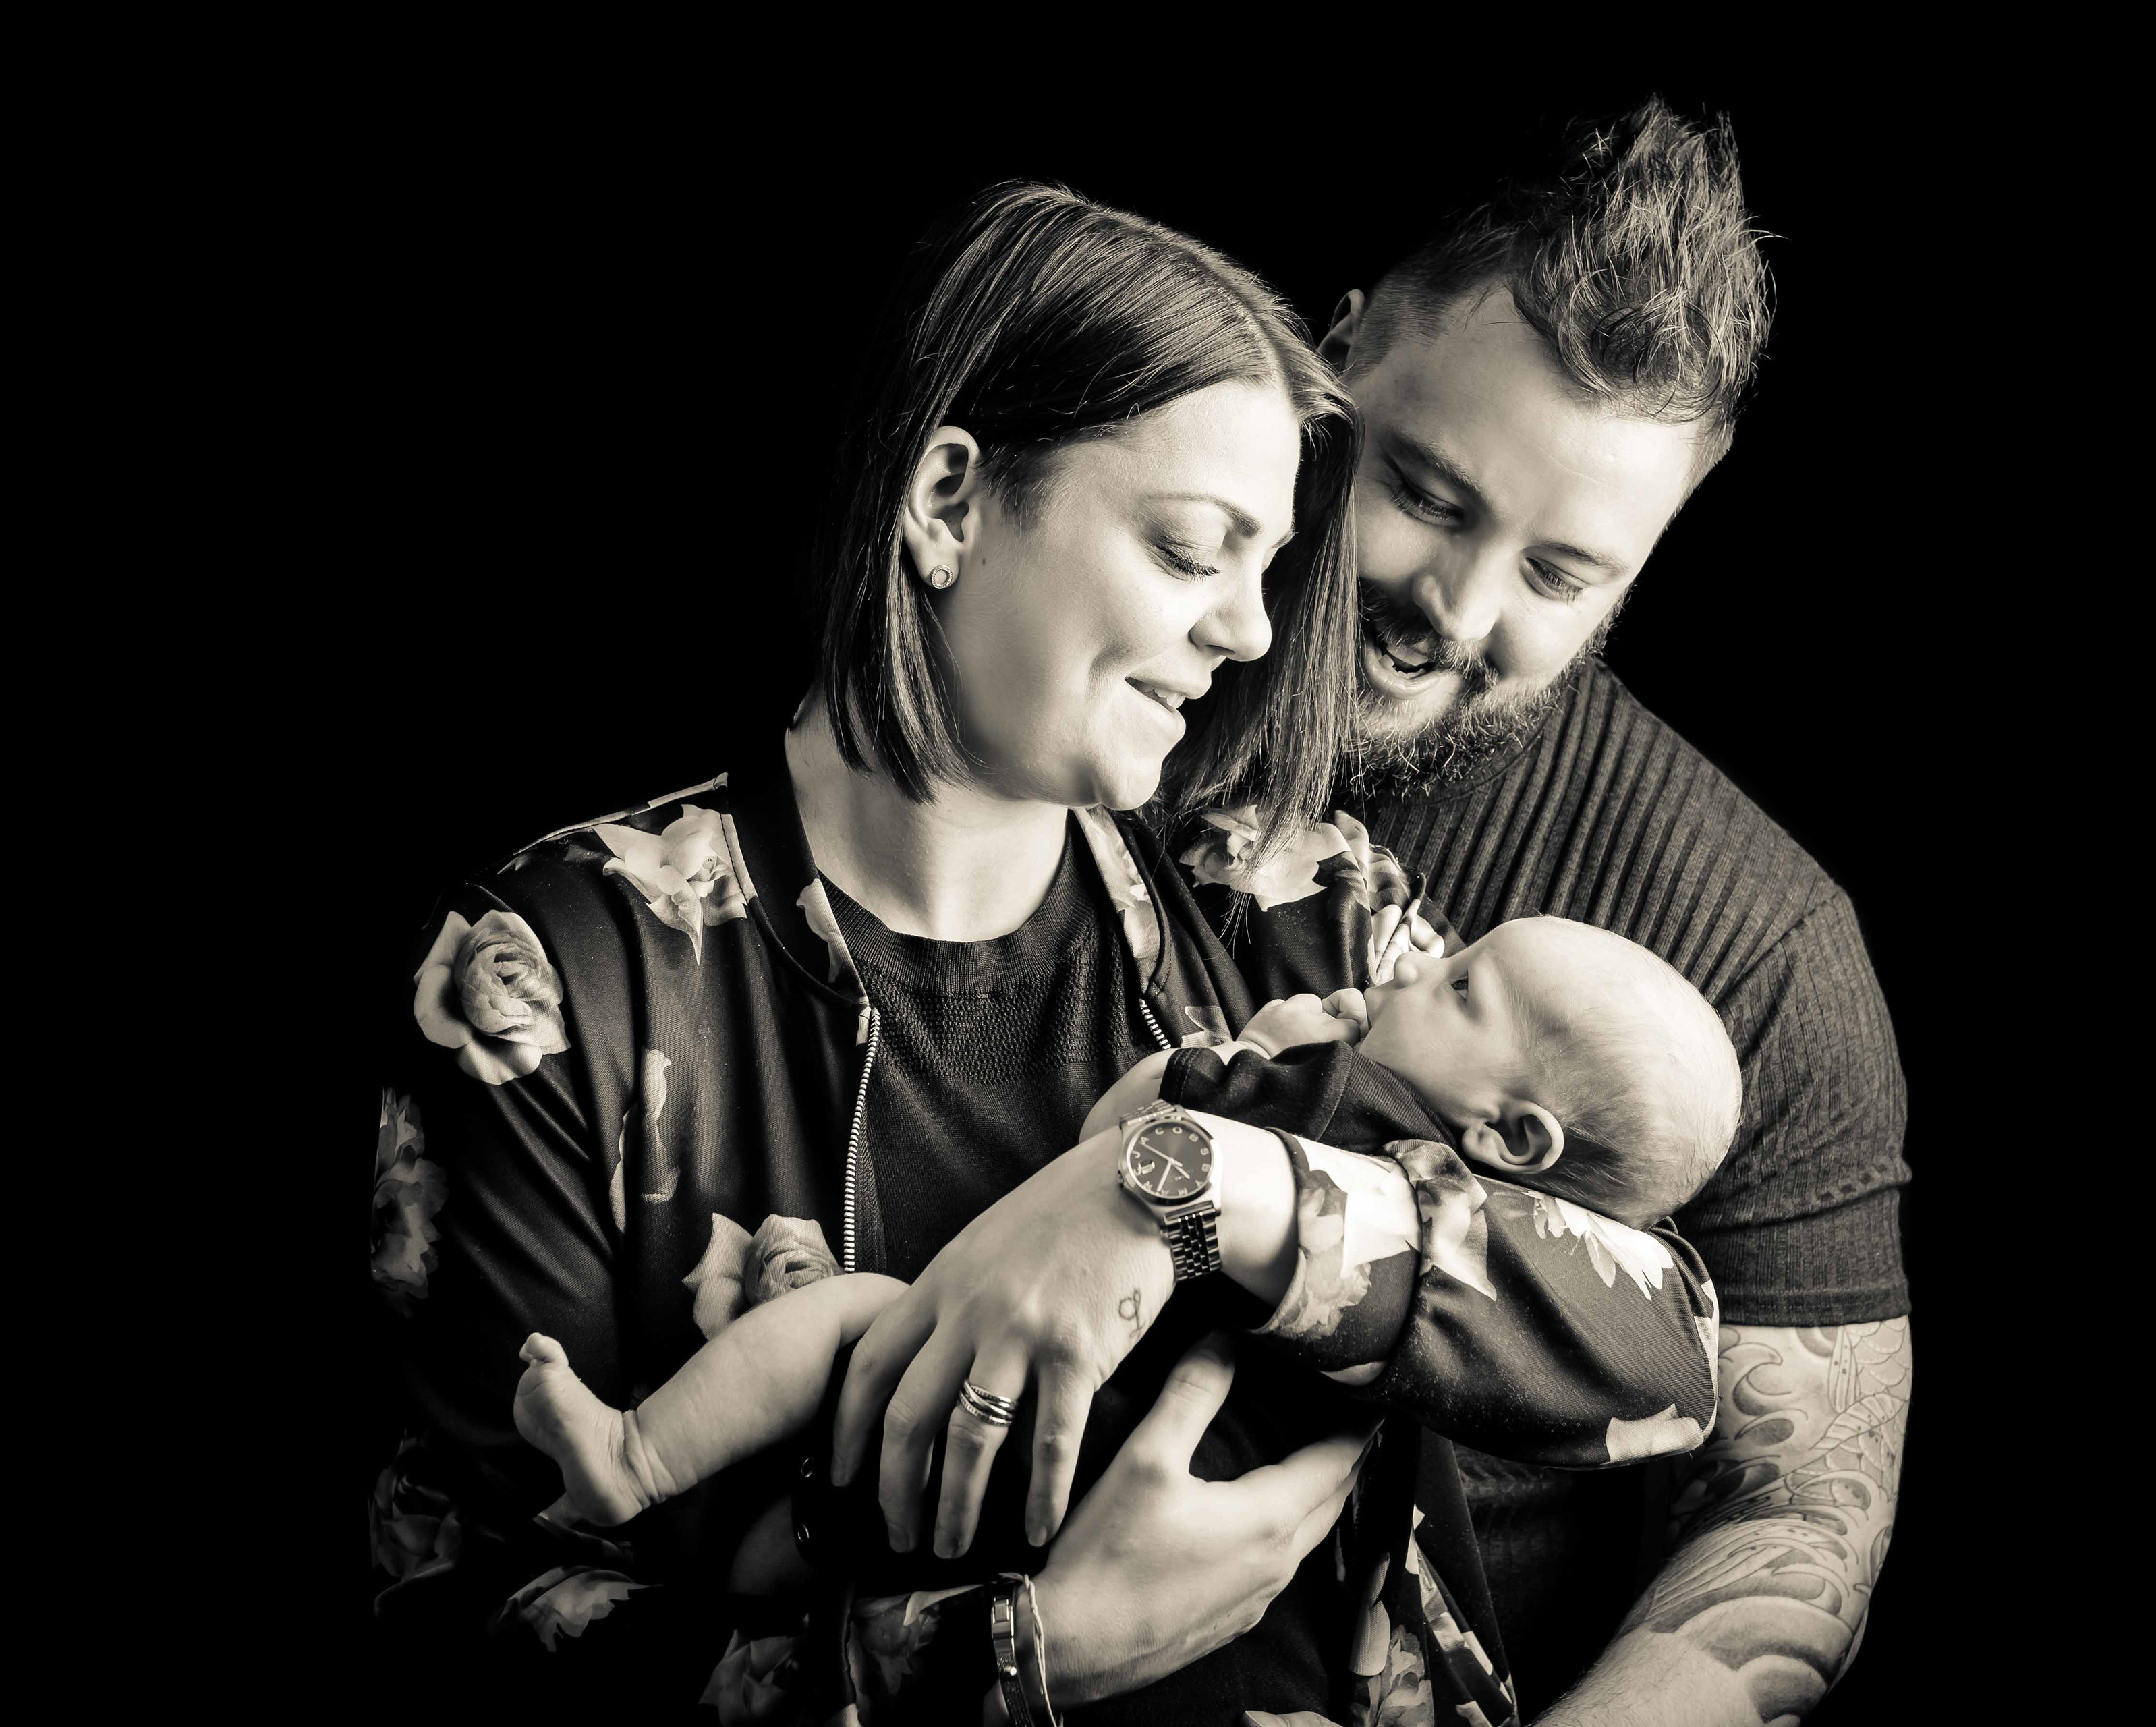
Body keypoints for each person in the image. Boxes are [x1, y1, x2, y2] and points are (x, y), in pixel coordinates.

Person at [369, 180, 1724, 1725]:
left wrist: (1188, 1190)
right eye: (1192, 551)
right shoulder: (562, 974)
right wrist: (1024, 1654)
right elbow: (462, 1617)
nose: (1253, 634)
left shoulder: (1294, 896)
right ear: (949, 501)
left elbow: (1663, 1339)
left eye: (1267, 569)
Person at [1214, 96, 1919, 1720]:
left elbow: (1793, 1509)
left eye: (1562, 575)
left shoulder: (1759, 947)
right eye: (1428, 493)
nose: (1455, 609)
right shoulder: (1083, 684)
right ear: (1334, 356)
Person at [512, 915, 1742, 1540]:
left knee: (858, 1322)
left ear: (1514, 1139)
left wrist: (1252, 1063)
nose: (1415, 960)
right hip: (1096, 1475)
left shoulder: (1340, 1091)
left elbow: (1125, 1127)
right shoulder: (1441, 1184)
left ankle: (643, 1460)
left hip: (1068, 1435)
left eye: (1461, 984)